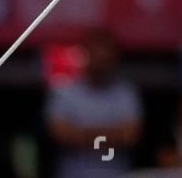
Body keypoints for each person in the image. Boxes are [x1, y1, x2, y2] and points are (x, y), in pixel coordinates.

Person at [44, 29, 143, 176]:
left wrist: (80, 134)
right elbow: (59, 134)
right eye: (96, 53)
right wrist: (111, 135)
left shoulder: (125, 93)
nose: (101, 60)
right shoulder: (64, 91)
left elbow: (131, 135)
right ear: (85, 54)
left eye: (105, 55)